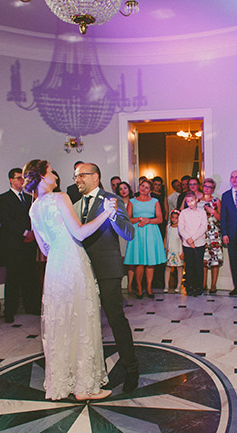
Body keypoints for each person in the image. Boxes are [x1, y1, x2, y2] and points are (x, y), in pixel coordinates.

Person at [25, 160, 114, 401]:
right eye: (51, 172)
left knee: (62, 322)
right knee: (82, 320)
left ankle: (63, 382)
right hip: (73, 261)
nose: (55, 175)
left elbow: (43, 248)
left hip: (55, 266)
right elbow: (81, 233)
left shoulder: (34, 208)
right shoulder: (60, 198)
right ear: (43, 177)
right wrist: (107, 213)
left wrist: (58, 246)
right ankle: (84, 387)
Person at [72, 162, 139, 393]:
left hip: (108, 270)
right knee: (86, 322)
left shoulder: (112, 199)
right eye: (75, 176)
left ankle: (131, 369)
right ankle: (91, 371)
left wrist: (113, 217)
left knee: (115, 319)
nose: (77, 179)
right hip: (83, 270)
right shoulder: (74, 204)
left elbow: (129, 233)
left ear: (96, 177)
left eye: (82, 175)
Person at [0, 168, 38, 323]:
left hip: (29, 244)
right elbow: (7, 221)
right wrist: (25, 232)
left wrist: (33, 233)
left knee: (30, 276)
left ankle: (31, 306)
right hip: (14, 245)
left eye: (23, 178)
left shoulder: (29, 198)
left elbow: (34, 218)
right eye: (19, 178)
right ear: (11, 180)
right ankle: (10, 311)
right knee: (13, 278)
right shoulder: (3, 198)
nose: (22, 181)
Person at [124, 178, 166, 299]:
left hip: (151, 232)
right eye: (142, 186)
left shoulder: (155, 201)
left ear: (150, 190)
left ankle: (149, 287)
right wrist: (139, 219)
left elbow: (160, 219)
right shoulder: (132, 201)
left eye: (146, 187)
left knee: (150, 263)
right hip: (137, 232)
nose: (143, 189)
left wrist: (148, 220)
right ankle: (139, 288)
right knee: (139, 263)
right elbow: (128, 219)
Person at [179, 191, 208, 296]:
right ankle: (189, 287)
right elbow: (181, 228)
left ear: (196, 200)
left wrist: (193, 239)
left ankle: (198, 287)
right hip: (187, 244)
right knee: (189, 266)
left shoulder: (202, 212)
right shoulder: (183, 213)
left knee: (198, 266)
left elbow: (203, 227)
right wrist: (188, 239)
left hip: (199, 243)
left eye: (192, 201)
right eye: (188, 201)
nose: (190, 203)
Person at [201, 178, 223, 293]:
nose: (207, 189)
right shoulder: (198, 201)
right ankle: (203, 284)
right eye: (205, 186)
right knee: (203, 260)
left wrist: (213, 212)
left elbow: (221, 218)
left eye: (209, 187)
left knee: (215, 260)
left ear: (213, 189)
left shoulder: (216, 201)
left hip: (214, 233)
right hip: (201, 233)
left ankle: (213, 285)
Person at [117, 181, 136, 294]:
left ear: (129, 189)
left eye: (125, 188)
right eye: (120, 189)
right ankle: (119, 285)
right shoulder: (117, 202)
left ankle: (130, 285)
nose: (123, 190)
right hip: (120, 232)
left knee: (131, 259)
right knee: (121, 258)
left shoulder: (134, 202)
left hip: (130, 231)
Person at [164, 210, 183, 294]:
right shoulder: (168, 227)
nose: (174, 219)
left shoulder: (181, 228)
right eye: (173, 218)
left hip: (178, 250)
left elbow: (183, 240)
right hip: (170, 250)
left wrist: (183, 252)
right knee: (168, 267)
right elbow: (166, 237)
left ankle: (178, 285)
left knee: (179, 268)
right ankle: (166, 286)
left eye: (176, 218)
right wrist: (164, 247)